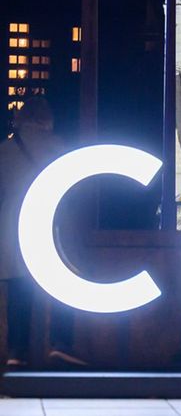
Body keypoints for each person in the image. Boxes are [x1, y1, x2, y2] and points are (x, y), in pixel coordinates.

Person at [0, 98, 84, 368]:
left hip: (14, 228)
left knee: (19, 292)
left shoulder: (5, 150)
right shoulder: (60, 148)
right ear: (48, 120)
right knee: (62, 287)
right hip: (51, 226)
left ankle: (17, 351)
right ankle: (61, 343)